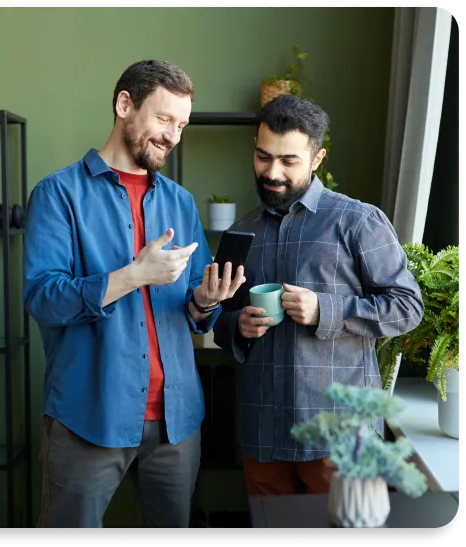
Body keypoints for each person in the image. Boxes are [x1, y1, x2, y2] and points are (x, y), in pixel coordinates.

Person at [22, 60, 245, 528]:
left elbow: (193, 309)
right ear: (125, 104)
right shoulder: (57, 194)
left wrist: (206, 299)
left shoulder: (180, 202)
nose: (172, 136)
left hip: (177, 423)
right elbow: (43, 298)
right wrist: (132, 275)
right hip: (88, 415)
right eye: (164, 119)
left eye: (181, 125)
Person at [213, 94, 424, 497]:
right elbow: (223, 320)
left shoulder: (358, 221)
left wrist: (323, 310)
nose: (272, 171)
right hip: (263, 433)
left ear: (317, 158)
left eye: (288, 161)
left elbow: (407, 306)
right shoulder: (242, 231)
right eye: (263, 156)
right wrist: (237, 324)